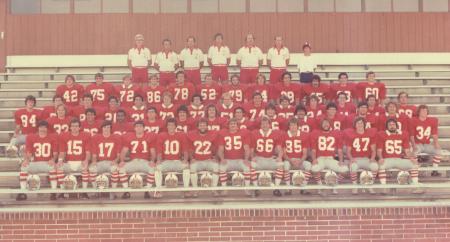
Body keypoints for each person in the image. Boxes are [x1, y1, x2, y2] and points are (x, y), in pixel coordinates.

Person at [17, 121, 59, 201]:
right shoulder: (31, 137)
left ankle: (53, 192)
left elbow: (55, 153)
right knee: (24, 167)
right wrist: (26, 160)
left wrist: (53, 159)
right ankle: (23, 191)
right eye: (41, 127)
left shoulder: (52, 137)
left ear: (47, 128)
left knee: (53, 167)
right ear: (38, 128)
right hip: (35, 162)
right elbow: (29, 152)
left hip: (47, 162)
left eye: (44, 127)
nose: (42, 129)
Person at [377, 119, 422, 194]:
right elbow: (379, 150)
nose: (392, 126)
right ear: (387, 127)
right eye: (390, 125)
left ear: (397, 126)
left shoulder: (403, 134)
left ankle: (415, 186)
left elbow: (407, 150)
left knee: (414, 164)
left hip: (399, 159)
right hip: (387, 159)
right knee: (380, 166)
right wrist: (380, 158)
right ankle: (383, 188)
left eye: (393, 124)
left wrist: (412, 158)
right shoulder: (382, 135)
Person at [119, 121, 157, 199]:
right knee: (121, 169)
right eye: (137, 126)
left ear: (144, 128)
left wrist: (152, 161)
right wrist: (122, 161)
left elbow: (153, 151)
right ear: (134, 128)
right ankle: (126, 191)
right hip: (133, 162)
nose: (139, 128)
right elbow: (124, 150)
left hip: (144, 162)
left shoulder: (149, 137)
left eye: (140, 126)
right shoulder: (130, 137)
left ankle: (147, 190)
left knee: (153, 169)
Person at [310, 119, 348, 194]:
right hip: (320, 158)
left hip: (330, 159)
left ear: (330, 125)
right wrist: (314, 159)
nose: (326, 125)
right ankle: (320, 185)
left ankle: (334, 183)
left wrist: (341, 160)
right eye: (324, 123)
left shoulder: (335, 134)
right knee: (314, 169)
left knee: (345, 169)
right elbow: (313, 150)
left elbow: (339, 150)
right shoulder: (316, 133)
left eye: (327, 123)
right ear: (321, 125)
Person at [155, 118, 191, 198]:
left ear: (176, 126)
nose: (171, 127)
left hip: (177, 161)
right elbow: (159, 150)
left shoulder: (181, 135)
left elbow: (185, 149)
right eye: (169, 125)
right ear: (166, 126)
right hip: (166, 161)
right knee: (157, 168)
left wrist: (185, 160)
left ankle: (186, 189)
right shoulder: (162, 135)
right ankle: (158, 190)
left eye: (172, 125)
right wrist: (158, 160)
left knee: (186, 168)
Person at [217, 118, 253, 196]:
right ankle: (224, 189)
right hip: (228, 160)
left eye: (234, 124)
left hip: (239, 160)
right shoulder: (223, 134)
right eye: (231, 124)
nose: (233, 125)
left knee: (247, 167)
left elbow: (247, 149)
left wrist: (246, 159)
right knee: (221, 168)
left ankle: (246, 189)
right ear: (228, 126)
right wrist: (222, 159)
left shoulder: (243, 134)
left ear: (238, 126)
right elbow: (220, 149)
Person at [58, 119, 91, 199]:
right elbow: (62, 151)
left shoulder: (85, 135)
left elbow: (88, 152)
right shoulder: (64, 136)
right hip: (69, 162)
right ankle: (61, 191)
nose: (74, 128)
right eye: (73, 126)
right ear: (70, 127)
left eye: (76, 126)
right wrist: (60, 160)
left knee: (86, 169)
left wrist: (86, 160)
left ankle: (84, 192)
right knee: (59, 168)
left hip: (81, 162)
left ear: (80, 127)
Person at [251, 116, 284, 197]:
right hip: (259, 158)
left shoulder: (275, 133)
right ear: (260, 125)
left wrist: (279, 157)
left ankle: (276, 188)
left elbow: (280, 149)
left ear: (270, 125)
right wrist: (252, 157)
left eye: (266, 124)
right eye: (263, 124)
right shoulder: (255, 133)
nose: (264, 125)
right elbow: (251, 149)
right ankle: (256, 188)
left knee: (281, 165)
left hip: (270, 158)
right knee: (251, 165)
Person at [345, 117, 378, 194]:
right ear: (355, 125)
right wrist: (351, 159)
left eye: (361, 123)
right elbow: (348, 151)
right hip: (356, 159)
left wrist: (372, 158)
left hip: (366, 159)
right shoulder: (351, 135)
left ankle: (369, 184)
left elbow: (373, 150)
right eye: (358, 123)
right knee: (353, 167)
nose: (360, 124)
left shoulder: (369, 134)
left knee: (375, 166)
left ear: (364, 124)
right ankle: (355, 186)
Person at [187, 118, 220, 197]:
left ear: (207, 126)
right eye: (200, 125)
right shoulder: (192, 135)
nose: (202, 127)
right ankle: (196, 190)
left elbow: (215, 148)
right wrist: (191, 158)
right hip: (198, 161)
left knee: (216, 166)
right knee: (192, 167)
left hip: (209, 160)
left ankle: (214, 189)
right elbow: (190, 149)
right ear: (198, 127)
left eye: (204, 125)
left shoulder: (212, 135)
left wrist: (215, 157)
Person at [281, 118, 311, 195]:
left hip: (300, 160)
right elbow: (284, 154)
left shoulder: (303, 135)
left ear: (298, 126)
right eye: (291, 125)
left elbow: (305, 153)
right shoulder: (284, 135)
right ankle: (288, 188)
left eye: (295, 125)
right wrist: (291, 161)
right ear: (289, 126)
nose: (293, 127)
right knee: (285, 165)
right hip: (289, 160)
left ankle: (304, 187)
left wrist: (300, 161)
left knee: (308, 165)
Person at [410, 105, 441, 176]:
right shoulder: (413, 120)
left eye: (425, 111)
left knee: (438, 151)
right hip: (417, 143)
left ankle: (434, 170)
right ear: (418, 112)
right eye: (422, 111)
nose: (424, 112)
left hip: (427, 144)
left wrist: (436, 143)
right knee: (413, 153)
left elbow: (434, 133)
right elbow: (411, 135)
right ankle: (414, 170)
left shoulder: (432, 120)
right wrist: (413, 145)